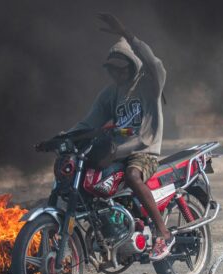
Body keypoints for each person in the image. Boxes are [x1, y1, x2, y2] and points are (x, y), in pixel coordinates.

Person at [55, 14, 173, 261]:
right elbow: (89, 122)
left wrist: (128, 33)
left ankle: (163, 233)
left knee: (132, 175)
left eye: (122, 68)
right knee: (81, 173)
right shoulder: (110, 93)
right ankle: (92, 232)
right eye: (113, 70)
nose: (117, 74)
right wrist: (63, 137)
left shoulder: (150, 83)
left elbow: (153, 62)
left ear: (132, 64)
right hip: (117, 151)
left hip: (143, 151)